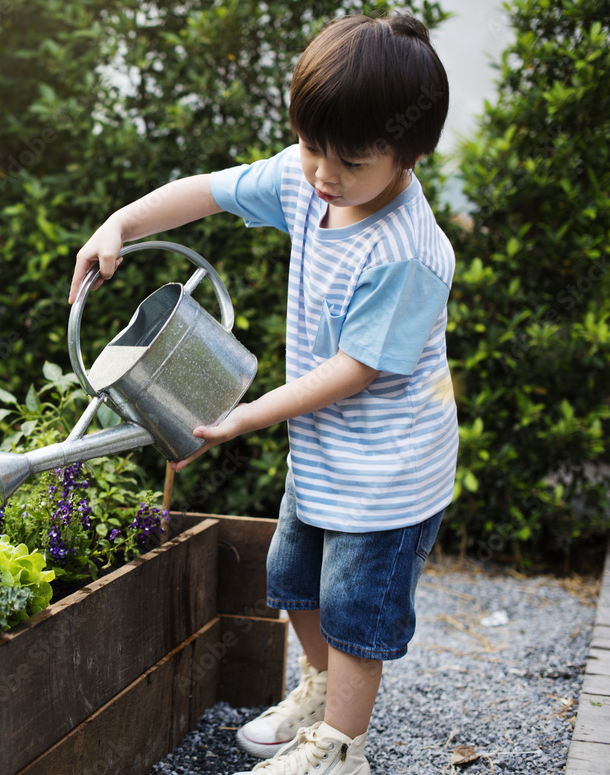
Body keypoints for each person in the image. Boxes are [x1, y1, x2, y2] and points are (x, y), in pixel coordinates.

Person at [68, 13, 456, 775]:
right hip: (322, 451)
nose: (322, 173)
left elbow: (358, 368)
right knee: (293, 575)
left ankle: (343, 748)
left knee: (354, 614)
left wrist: (248, 411)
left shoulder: (409, 251)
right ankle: (319, 692)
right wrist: (121, 223)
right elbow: (207, 193)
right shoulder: (307, 179)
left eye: (347, 159)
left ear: (409, 152)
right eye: (312, 146)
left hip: (389, 476)